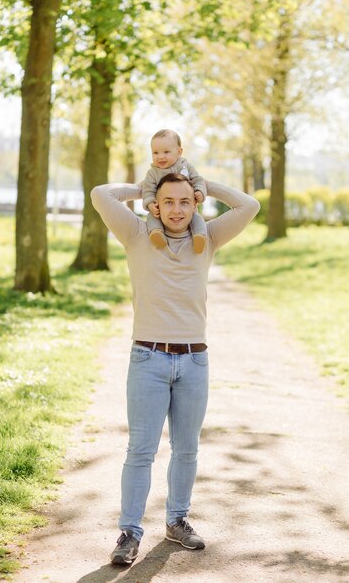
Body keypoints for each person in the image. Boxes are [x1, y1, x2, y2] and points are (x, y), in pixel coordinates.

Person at [91, 170, 260, 566]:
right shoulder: (135, 234)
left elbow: (249, 206)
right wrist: (144, 189)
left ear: (195, 204)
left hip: (194, 359)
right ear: (156, 205)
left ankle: (177, 520)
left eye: (185, 201)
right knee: (141, 451)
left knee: (186, 450)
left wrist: (204, 185)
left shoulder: (209, 238)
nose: (177, 209)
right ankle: (129, 533)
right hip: (148, 358)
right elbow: (101, 193)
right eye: (168, 202)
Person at [144, 129, 207, 253]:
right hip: (161, 209)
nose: (160, 156)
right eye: (155, 153)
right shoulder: (153, 173)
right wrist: (150, 204)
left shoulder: (186, 166)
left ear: (179, 152)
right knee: (152, 218)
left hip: (188, 209)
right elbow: (147, 191)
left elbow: (198, 180)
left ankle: (200, 236)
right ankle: (157, 233)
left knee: (197, 219)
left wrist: (200, 191)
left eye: (166, 152)